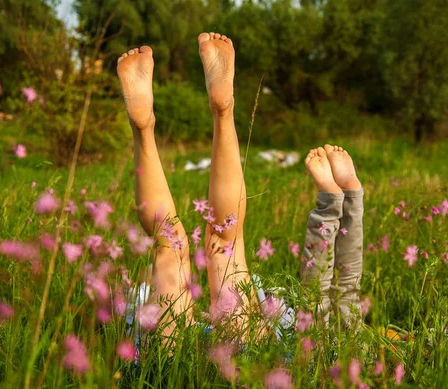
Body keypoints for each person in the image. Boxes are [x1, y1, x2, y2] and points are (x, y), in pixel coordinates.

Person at [117, 32, 364, 338]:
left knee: (223, 244)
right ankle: (149, 127)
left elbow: (346, 283)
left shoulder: (337, 352)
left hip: (244, 356)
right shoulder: (334, 361)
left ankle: (213, 114)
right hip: (228, 358)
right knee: (177, 244)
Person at [301, 145, 364, 330]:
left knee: (315, 302)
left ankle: (338, 201)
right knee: (347, 292)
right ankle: (348, 199)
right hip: (356, 355)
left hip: (339, 355)